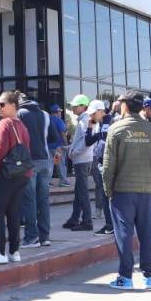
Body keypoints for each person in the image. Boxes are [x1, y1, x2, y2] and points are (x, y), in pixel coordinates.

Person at [101, 91, 151, 289]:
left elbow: (108, 165)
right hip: (146, 191)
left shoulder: (116, 129)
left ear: (125, 106)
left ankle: (125, 277)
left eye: (120, 103)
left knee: (124, 235)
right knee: (147, 234)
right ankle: (149, 276)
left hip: (123, 191)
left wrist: (108, 190)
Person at [0, 90, 32, 265]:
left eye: (3, 104)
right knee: (13, 213)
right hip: (21, 175)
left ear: (13, 106)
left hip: (5, 175)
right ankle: (14, 251)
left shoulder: (5, 124)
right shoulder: (22, 126)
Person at [17, 94, 54, 249]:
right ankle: (44, 237)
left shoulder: (20, 114)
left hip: (29, 160)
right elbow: (53, 137)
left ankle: (32, 237)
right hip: (45, 160)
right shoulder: (45, 114)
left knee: (29, 199)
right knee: (43, 200)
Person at [62, 95, 94, 230]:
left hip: (82, 160)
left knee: (82, 192)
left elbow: (86, 143)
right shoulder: (83, 120)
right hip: (83, 159)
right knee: (79, 191)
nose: (73, 108)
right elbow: (80, 142)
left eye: (76, 106)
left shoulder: (84, 121)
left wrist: (72, 152)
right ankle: (75, 218)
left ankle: (87, 222)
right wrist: (68, 149)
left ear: (83, 107)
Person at [86, 100, 115, 236]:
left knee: (107, 196)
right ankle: (111, 225)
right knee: (105, 196)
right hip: (103, 163)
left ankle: (110, 225)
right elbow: (88, 141)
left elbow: (104, 142)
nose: (91, 117)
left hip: (109, 165)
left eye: (92, 114)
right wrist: (89, 128)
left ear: (100, 111)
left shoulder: (109, 122)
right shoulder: (100, 124)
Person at [47, 104, 69, 187]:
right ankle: (63, 181)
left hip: (48, 147)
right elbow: (63, 133)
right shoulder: (59, 120)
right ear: (56, 112)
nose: (60, 113)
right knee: (60, 164)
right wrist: (66, 143)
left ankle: (47, 181)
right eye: (60, 111)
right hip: (58, 147)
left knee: (50, 164)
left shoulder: (47, 119)